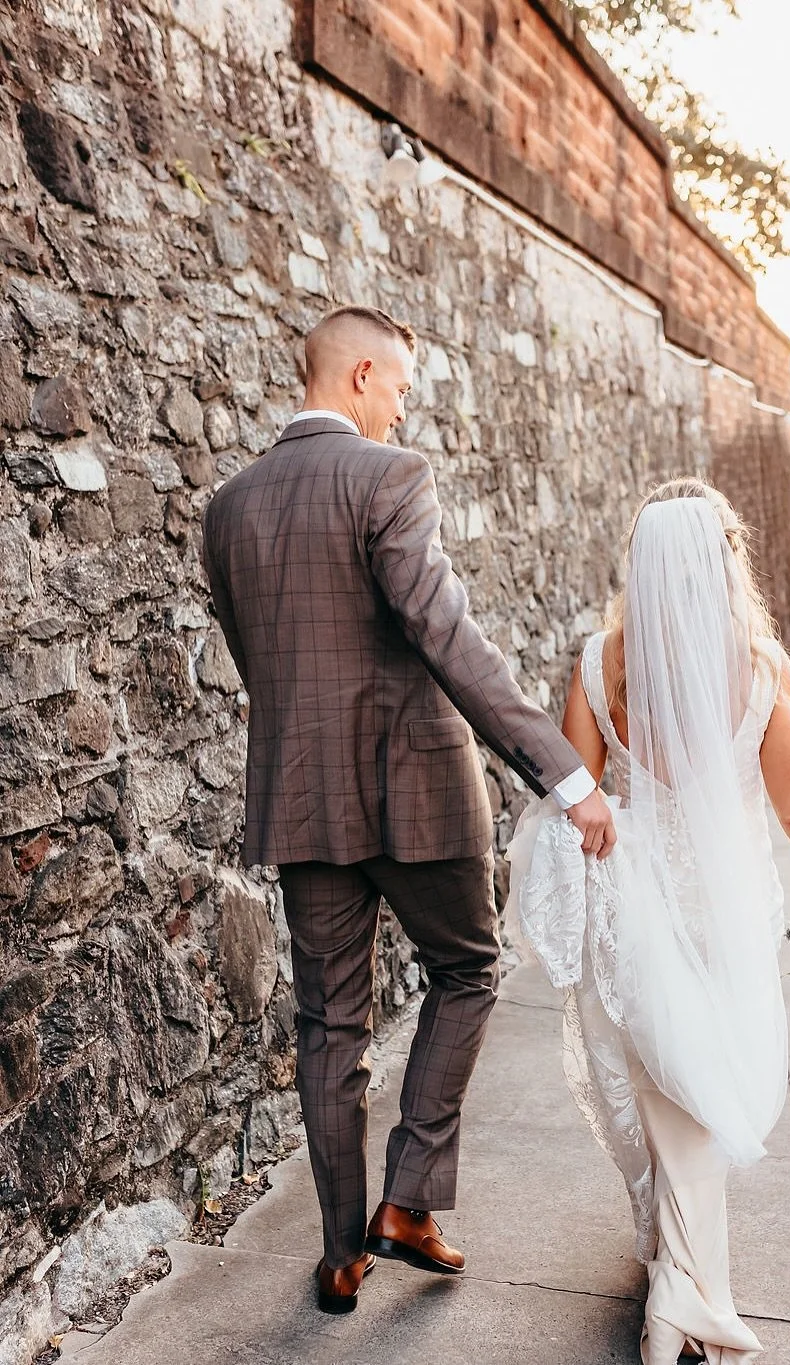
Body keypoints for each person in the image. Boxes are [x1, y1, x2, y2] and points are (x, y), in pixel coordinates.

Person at [201, 304, 615, 1314]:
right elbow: (446, 637)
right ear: (359, 378)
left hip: (301, 800)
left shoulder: (228, 506)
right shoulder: (388, 479)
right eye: (398, 388)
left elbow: (264, 663)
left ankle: (341, 1251)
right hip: (416, 791)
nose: (400, 408)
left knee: (328, 1022)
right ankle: (410, 1201)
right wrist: (565, 774)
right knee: (468, 969)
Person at [508, 477, 790, 1364]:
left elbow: (575, 792)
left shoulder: (601, 663)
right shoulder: (757, 668)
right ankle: (683, 1296)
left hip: (634, 903)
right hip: (725, 910)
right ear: (721, 569)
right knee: (694, 1093)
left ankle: (681, 1292)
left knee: (673, 1089)